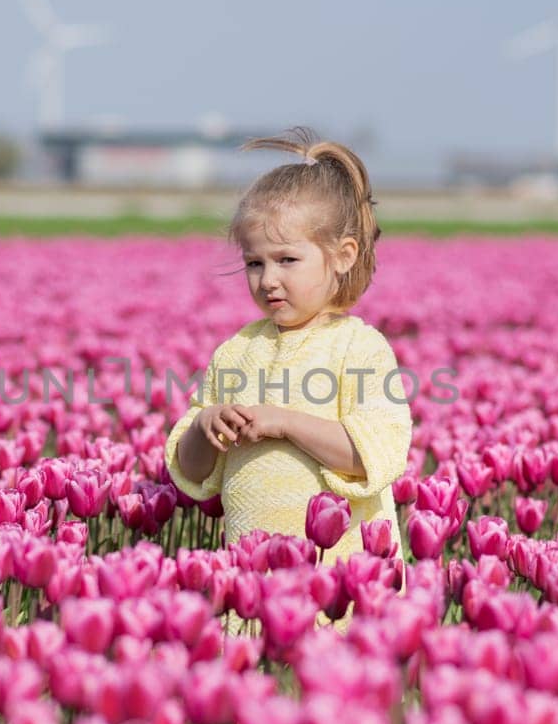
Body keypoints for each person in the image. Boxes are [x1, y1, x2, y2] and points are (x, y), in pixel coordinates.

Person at [164, 128, 413, 560]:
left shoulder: (358, 349)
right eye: (254, 263)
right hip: (251, 581)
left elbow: (372, 454)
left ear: (343, 255)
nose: (269, 279)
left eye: (287, 260)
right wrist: (205, 425)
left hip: (342, 580)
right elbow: (191, 470)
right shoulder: (237, 353)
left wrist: (285, 422)